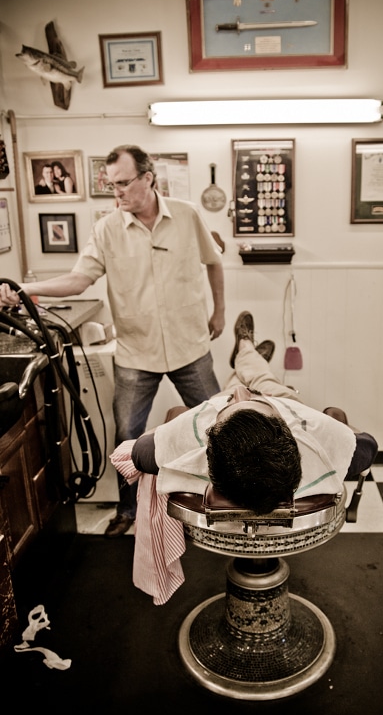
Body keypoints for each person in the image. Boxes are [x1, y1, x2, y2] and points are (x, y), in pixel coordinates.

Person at [0, 144, 225, 537]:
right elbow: (79, 279)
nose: (117, 192)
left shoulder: (188, 215)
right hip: (136, 352)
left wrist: (220, 312)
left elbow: (214, 262)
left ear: (148, 179)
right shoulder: (106, 229)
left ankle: (226, 497)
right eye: (112, 185)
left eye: (123, 183)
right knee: (127, 437)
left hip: (191, 347)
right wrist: (26, 289)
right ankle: (128, 510)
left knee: (219, 425)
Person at [131, 310, 378, 514]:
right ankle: (249, 355)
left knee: (236, 383)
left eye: (232, 405)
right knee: (263, 380)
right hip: (283, 399)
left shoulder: (194, 439)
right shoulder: (313, 435)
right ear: (287, 430)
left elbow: (140, 450)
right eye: (257, 403)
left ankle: (246, 352)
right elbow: (367, 445)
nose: (243, 393)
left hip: (234, 409)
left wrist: (177, 425)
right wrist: (332, 425)